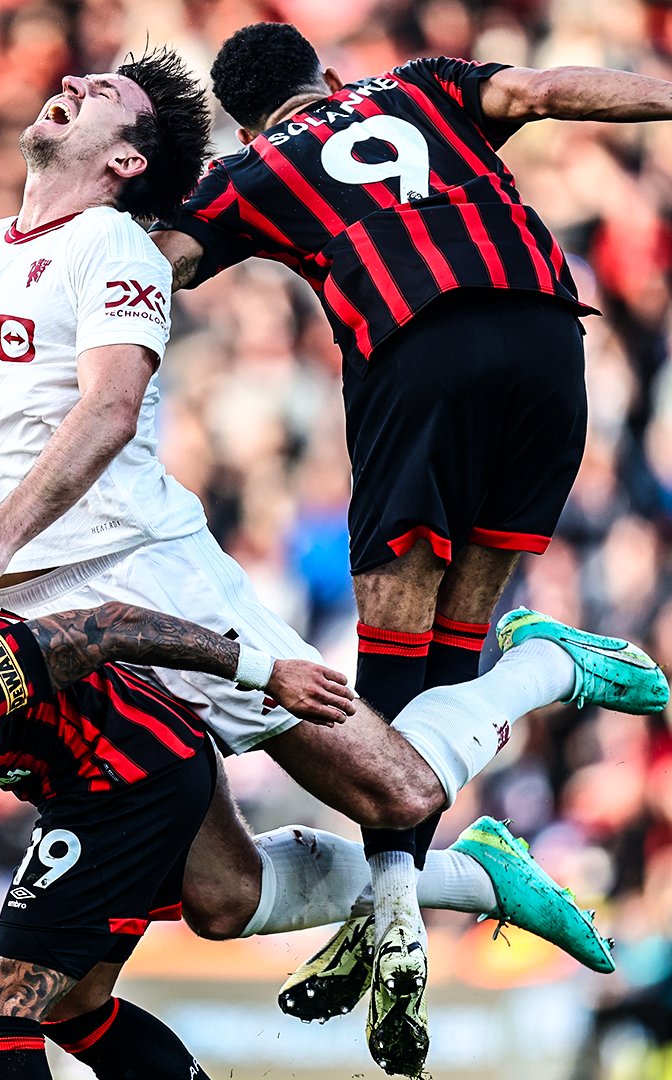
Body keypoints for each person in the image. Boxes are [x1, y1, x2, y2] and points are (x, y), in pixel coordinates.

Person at [0, 44, 667, 1077]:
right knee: (219, 899)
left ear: (126, 162)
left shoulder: (117, 248)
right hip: (30, 608)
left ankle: (544, 668)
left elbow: (112, 408)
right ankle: (467, 880)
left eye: (99, 94)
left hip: (143, 574)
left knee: (396, 792)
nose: (68, 85)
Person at [149, 22, 672, 1073]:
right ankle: (400, 908)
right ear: (330, 79)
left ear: (250, 120)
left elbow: (160, 259)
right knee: (457, 636)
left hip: (414, 350)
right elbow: (543, 91)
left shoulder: (253, 169)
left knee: (398, 648)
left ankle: (397, 901)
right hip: (544, 337)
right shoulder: (424, 84)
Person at [0, 546, 659, 1080]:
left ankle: (544, 668)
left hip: (124, 777)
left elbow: (108, 627)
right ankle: (477, 874)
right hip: (124, 761)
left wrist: (258, 668)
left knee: (1, 1011)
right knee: (200, 922)